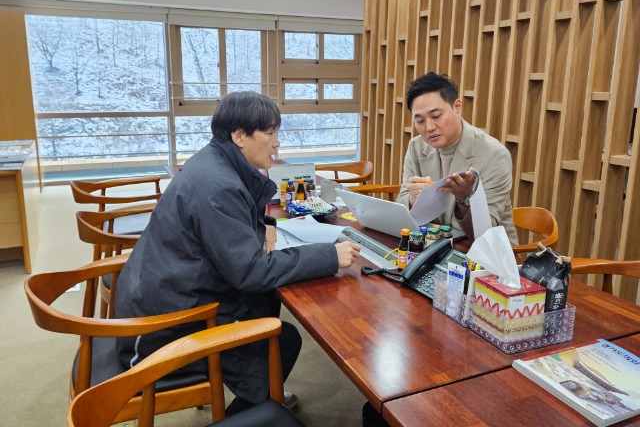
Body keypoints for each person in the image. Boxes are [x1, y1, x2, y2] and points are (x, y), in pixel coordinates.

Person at [114, 91, 361, 415]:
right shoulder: (219, 185)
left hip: (167, 296)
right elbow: (251, 272)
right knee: (283, 338)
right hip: (165, 329)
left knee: (265, 305)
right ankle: (247, 414)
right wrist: (329, 256)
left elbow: (229, 219)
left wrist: (265, 220)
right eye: (270, 133)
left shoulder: (212, 162)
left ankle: (261, 392)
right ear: (239, 136)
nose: (277, 143)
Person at [396, 72, 518, 245]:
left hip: (486, 254)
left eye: (436, 116)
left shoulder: (495, 154)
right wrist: (412, 200)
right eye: (420, 120)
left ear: (457, 107)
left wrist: (464, 200)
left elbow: (486, 232)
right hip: (436, 245)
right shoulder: (417, 147)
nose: (429, 127)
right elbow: (401, 205)